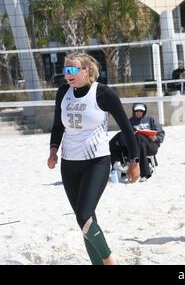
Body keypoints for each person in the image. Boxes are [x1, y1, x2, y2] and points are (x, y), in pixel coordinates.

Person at [47, 52, 140, 265]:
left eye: (72, 70)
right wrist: (53, 151)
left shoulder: (104, 94)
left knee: (83, 215)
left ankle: (109, 260)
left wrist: (135, 162)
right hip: (69, 163)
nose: (67, 74)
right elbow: (57, 125)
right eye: (66, 70)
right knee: (87, 222)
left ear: (86, 70)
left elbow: (127, 129)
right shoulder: (63, 92)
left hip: (96, 161)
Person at [109, 102, 165, 182]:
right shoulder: (130, 121)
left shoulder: (150, 119)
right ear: (134, 111)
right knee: (136, 139)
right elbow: (124, 135)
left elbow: (161, 133)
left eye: (141, 111)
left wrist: (156, 138)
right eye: (137, 111)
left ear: (144, 111)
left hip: (151, 145)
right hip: (136, 147)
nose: (139, 112)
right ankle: (144, 174)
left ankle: (129, 162)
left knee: (139, 138)